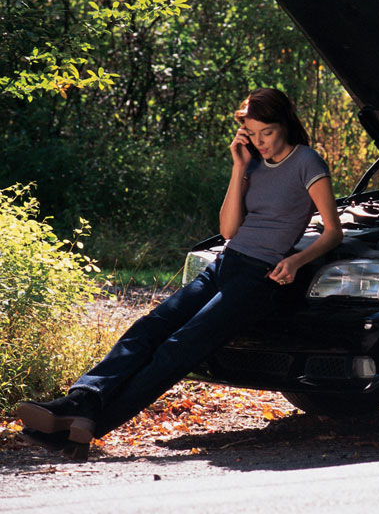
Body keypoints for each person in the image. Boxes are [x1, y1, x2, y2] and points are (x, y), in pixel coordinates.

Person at [14, 87, 343, 460]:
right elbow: (229, 229)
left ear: (284, 123)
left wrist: (296, 261)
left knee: (179, 348)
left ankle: (87, 427)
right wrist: (239, 167)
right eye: (251, 134)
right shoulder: (251, 163)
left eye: (266, 132)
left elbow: (333, 232)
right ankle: (81, 400)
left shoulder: (307, 162)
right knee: (148, 329)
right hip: (227, 263)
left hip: (259, 277)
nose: (259, 141)